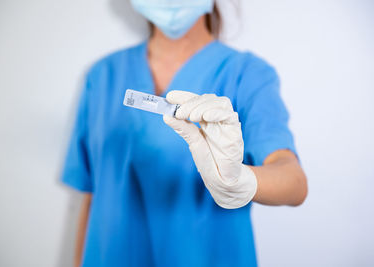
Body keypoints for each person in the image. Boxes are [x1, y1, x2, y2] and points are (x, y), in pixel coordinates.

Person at [61, 0, 308, 266]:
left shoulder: (247, 74)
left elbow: (293, 181)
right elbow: (90, 195)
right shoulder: (102, 76)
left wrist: (242, 181)